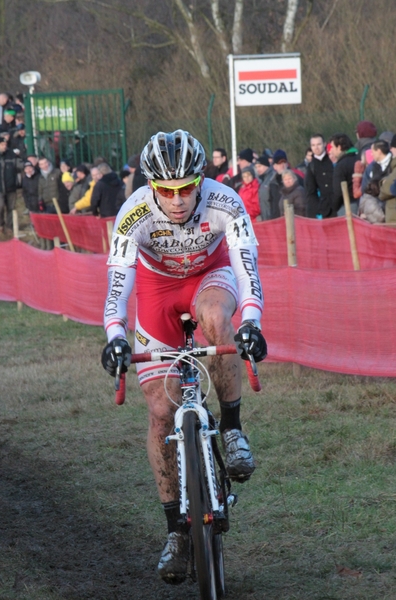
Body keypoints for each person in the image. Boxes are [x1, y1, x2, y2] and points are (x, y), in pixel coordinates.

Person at [101, 129, 267, 585]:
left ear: (201, 181)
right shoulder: (133, 211)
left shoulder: (226, 202)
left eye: (187, 188)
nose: (177, 200)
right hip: (157, 292)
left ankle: (231, 429)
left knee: (216, 315)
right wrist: (116, 335)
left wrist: (251, 323)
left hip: (209, 279)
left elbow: (247, 271)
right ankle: (176, 531)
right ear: (151, 186)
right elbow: (118, 287)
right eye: (167, 190)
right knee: (159, 411)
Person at [304, 133, 334, 218]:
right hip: (323, 209)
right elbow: (310, 191)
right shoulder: (311, 166)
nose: (316, 147)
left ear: (324, 144)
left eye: (319, 144)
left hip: (338, 206)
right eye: (313, 145)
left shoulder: (332, 160)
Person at [329, 133, 359, 215]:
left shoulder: (340, 166)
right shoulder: (359, 158)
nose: (330, 150)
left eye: (332, 147)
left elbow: (338, 192)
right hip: (362, 204)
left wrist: (334, 207)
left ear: (339, 147)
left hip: (347, 207)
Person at [0, 135, 21, 233]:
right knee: (0, 206)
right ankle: (0, 224)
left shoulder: (11, 154)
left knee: (11, 208)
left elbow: (19, 165)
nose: (4, 146)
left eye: (5, 144)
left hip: (11, 187)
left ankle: (10, 226)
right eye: (2, 144)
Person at [254, 154, 275, 220]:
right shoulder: (260, 180)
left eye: (259, 166)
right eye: (256, 167)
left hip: (272, 217)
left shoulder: (273, 178)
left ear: (266, 166)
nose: (258, 169)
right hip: (264, 217)